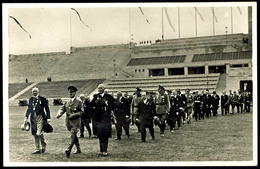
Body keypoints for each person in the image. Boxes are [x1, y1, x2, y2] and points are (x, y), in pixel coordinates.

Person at [56, 86, 83, 158]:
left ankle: (69, 149)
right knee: (74, 135)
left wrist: (74, 115)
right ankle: (78, 149)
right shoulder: (67, 102)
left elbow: (82, 112)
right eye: (69, 92)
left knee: (72, 134)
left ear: (75, 93)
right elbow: (63, 109)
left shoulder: (79, 102)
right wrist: (59, 114)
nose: (70, 93)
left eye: (72, 92)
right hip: (68, 123)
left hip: (76, 122)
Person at [24, 87, 51, 154]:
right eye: (33, 91)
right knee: (34, 133)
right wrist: (26, 117)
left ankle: (43, 145)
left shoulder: (42, 99)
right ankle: (37, 148)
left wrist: (48, 117)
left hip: (40, 117)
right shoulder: (31, 99)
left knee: (39, 133)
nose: (34, 92)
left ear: (38, 91)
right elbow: (29, 109)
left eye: (35, 91)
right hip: (33, 117)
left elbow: (47, 109)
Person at [91, 84, 115, 157]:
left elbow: (114, 104)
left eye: (100, 88)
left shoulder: (109, 97)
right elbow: (91, 105)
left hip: (106, 119)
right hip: (99, 119)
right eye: (98, 88)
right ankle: (101, 150)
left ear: (104, 89)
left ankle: (105, 150)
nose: (99, 89)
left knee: (105, 135)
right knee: (100, 135)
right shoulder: (95, 96)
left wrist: (109, 106)